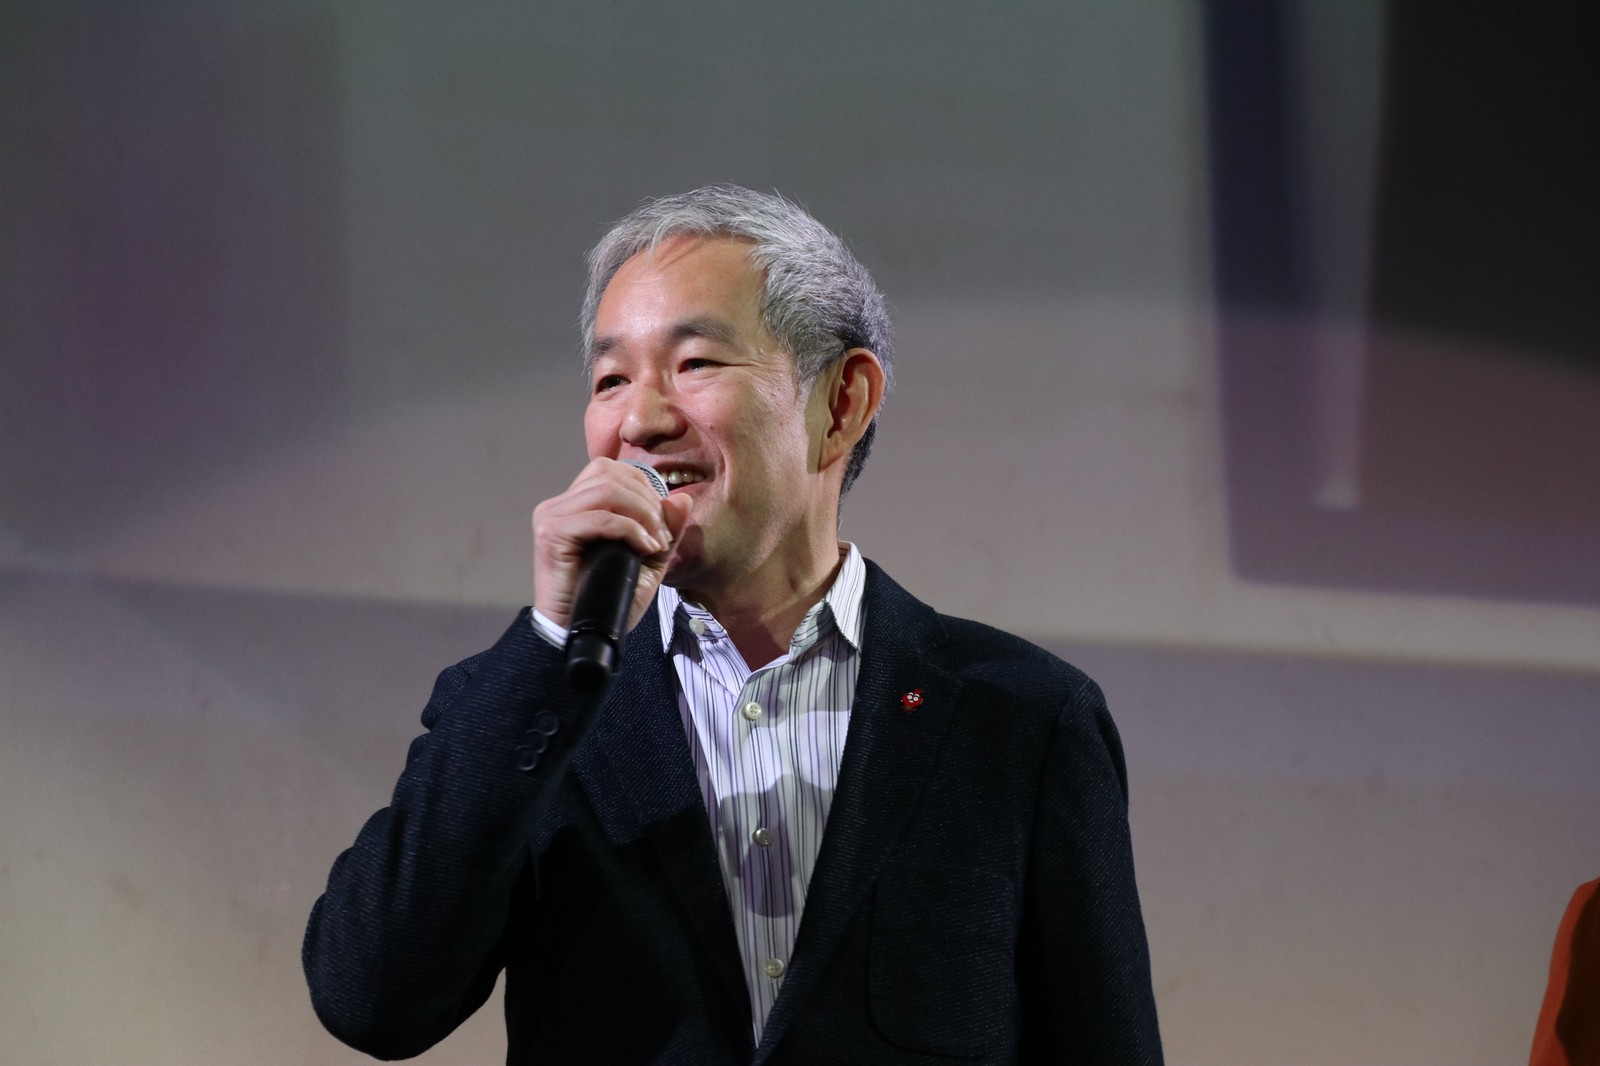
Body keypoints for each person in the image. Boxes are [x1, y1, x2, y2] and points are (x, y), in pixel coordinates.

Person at [303, 184, 1163, 1064]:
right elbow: (369, 999)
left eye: (696, 363)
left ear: (842, 402)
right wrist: (554, 646)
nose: (640, 420)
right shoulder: (534, 711)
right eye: (610, 380)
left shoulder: (1022, 719)